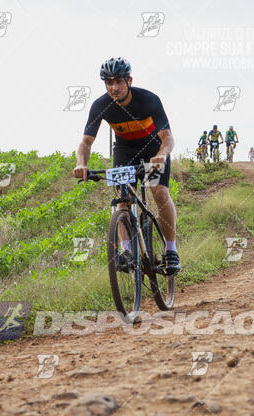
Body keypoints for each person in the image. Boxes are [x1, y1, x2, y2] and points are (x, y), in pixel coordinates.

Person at [74, 57, 180, 275]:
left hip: (153, 150)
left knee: (159, 192)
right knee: (122, 199)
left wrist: (162, 154)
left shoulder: (148, 100)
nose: (114, 87)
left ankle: (171, 250)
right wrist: (81, 163)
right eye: (109, 82)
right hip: (125, 151)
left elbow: (168, 137)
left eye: (119, 82)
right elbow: (85, 142)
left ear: (129, 80)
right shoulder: (100, 105)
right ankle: (126, 252)